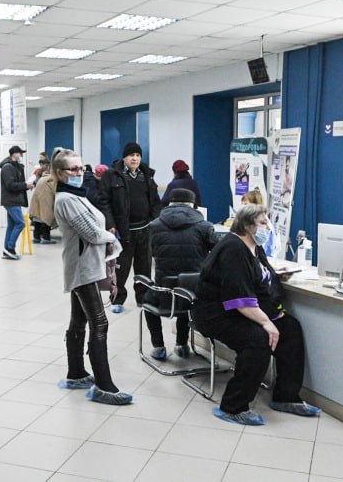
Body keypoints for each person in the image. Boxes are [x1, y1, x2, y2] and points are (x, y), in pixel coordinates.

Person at [193, 204, 320, 425]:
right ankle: (233, 407)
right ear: (247, 225)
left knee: (290, 329)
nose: (268, 227)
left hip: (240, 311)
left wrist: (276, 276)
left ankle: (286, 396)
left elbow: (258, 275)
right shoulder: (233, 249)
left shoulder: (254, 247)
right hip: (217, 314)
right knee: (258, 340)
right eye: (263, 223)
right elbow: (239, 298)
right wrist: (267, 323)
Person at [52, 147, 133, 405]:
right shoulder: (66, 199)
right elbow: (93, 233)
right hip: (82, 268)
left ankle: (76, 373)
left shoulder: (77, 195)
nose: (79, 172)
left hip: (89, 264)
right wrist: (113, 239)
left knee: (79, 320)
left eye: (81, 167)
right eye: (73, 169)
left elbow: (96, 228)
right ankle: (103, 387)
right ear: (59, 172)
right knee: (100, 323)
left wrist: (107, 239)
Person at [145, 188, 218, 359]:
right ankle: (182, 344)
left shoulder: (154, 226)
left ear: (170, 204)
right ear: (193, 205)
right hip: (194, 294)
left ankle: (158, 347)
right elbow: (218, 252)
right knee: (186, 296)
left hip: (164, 293)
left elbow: (152, 252)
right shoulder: (205, 226)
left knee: (147, 302)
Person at [98, 142, 161, 313]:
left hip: (145, 229)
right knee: (121, 268)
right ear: (124, 157)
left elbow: (156, 202)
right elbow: (104, 202)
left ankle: (144, 299)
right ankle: (117, 300)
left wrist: (154, 220)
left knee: (144, 268)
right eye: (131, 155)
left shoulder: (147, 175)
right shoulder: (112, 175)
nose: (135, 158)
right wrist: (110, 223)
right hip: (123, 231)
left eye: (138, 155)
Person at [0, 145, 34, 259]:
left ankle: (6, 250)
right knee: (20, 223)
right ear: (14, 153)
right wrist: (25, 185)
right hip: (11, 200)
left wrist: (26, 185)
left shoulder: (15, 167)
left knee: (11, 225)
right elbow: (10, 185)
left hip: (14, 200)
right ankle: (10, 248)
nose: (21, 155)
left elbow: (17, 183)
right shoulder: (7, 167)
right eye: (20, 153)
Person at [241, 189, 280, 259]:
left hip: (263, 259)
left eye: (246, 204)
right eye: (243, 204)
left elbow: (260, 248)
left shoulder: (261, 223)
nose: (243, 208)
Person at [28, 172, 57, 244]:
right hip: (45, 202)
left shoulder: (42, 179)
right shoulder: (51, 180)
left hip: (37, 202)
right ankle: (45, 238)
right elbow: (55, 191)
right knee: (47, 219)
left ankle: (36, 237)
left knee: (37, 220)